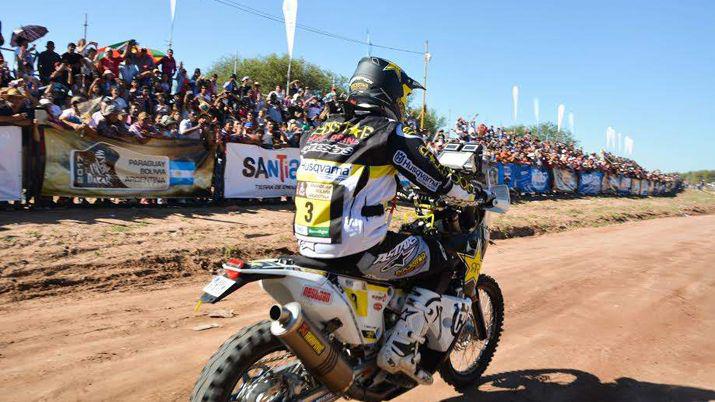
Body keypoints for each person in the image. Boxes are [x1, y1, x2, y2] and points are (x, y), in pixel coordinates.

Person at [291, 57, 479, 384]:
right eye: (402, 99)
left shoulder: (317, 132)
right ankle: (400, 348)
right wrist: (473, 196)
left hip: (309, 244)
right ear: (388, 94)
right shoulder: (388, 134)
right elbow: (439, 181)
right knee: (444, 258)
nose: (402, 106)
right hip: (354, 249)